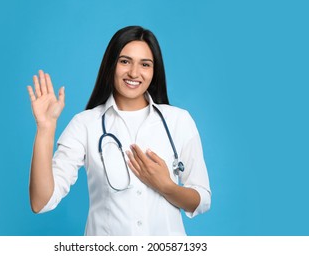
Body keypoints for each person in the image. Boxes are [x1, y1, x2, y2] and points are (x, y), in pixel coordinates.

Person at [26, 26, 211, 236]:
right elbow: (41, 202)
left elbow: (202, 199)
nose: (134, 72)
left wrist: (167, 186)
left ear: (154, 71)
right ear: (111, 64)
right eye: (125, 61)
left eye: (145, 64)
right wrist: (45, 128)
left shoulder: (179, 120)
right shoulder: (85, 124)